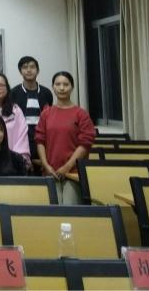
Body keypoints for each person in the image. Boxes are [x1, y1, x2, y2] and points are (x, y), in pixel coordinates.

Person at [35, 71, 95, 205]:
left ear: (72, 87)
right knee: (52, 211)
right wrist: (46, 165)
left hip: (73, 173)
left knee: (69, 209)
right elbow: (40, 140)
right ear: (53, 87)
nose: (62, 88)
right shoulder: (46, 113)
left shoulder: (81, 114)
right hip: (50, 172)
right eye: (58, 84)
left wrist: (67, 167)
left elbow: (85, 144)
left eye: (66, 84)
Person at [11, 56, 53, 161]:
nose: (29, 70)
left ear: (38, 71)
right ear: (20, 71)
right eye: (25, 67)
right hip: (21, 141)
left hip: (43, 141)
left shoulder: (46, 93)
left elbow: (49, 118)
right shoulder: (13, 93)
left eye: (32, 67)